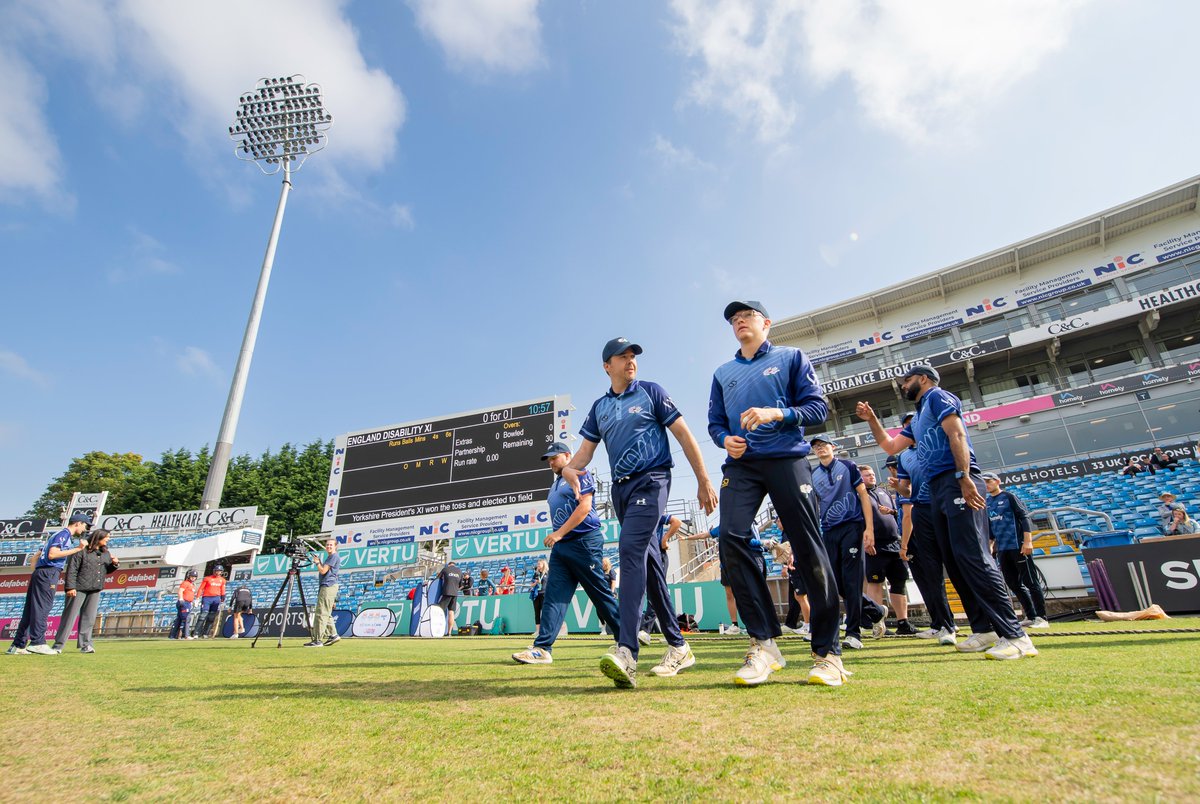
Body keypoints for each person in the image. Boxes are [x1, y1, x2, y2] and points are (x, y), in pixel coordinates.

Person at [562, 336, 717, 688]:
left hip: (652, 481)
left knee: (630, 551)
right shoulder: (600, 407)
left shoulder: (651, 391)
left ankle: (627, 652)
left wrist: (703, 479)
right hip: (621, 491)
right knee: (649, 568)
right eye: (623, 356)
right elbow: (584, 454)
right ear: (607, 366)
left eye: (633, 355)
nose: (631, 360)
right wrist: (569, 469)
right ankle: (679, 646)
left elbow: (684, 434)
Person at [707, 301, 845, 687]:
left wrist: (776, 413)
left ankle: (828, 654)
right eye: (734, 319)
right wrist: (724, 439)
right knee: (730, 536)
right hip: (742, 465)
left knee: (808, 547)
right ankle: (765, 644)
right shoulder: (723, 372)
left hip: (787, 458)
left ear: (766, 323)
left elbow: (817, 409)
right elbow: (715, 422)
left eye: (746, 316)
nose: (739, 322)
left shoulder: (791, 357)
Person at [857, 365, 1036, 660]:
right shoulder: (918, 416)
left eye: (907, 380)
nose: (903, 386)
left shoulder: (938, 397)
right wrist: (873, 420)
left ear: (923, 379)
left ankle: (1015, 635)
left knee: (974, 557)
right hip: (935, 488)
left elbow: (957, 435)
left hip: (956, 480)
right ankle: (984, 629)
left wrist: (963, 476)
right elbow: (890, 445)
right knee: (954, 562)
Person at [512, 442, 624, 665]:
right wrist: (560, 537)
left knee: (600, 593)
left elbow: (585, 507)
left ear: (567, 455)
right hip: (562, 547)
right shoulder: (555, 485)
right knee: (553, 597)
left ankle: (627, 638)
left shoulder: (579, 472)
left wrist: (559, 533)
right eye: (548, 459)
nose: (551, 462)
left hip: (584, 541)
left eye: (554, 457)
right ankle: (542, 648)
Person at [809, 436, 883, 651]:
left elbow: (863, 496)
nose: (819, 448)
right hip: (829, 530)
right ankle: (875, 611)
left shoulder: (848, 466)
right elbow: (814, 504)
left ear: (832, 447)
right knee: (836, 584)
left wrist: (869, 529)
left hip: (852, 525)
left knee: (852, 581)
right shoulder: (813, 474)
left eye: (823, 444)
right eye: (816, 446)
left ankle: (853, 633)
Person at [894, 438, 957, 645]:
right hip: (921, 531)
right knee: (931, 580)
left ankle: (945, 623)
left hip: (919, 536)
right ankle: (942, 623)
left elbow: (908, 515)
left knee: (933, 579)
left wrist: (904, 544)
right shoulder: (904, 476)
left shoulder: (916, 483)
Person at [7, 513, 91, 655]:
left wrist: (37, 572)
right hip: (49, 572)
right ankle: (37, 643)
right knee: (42, 607)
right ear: (78, 523)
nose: (85, 529)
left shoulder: (55, 535)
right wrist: (78, 549)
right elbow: (52, 554)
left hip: (41, 572)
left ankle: (18, 645)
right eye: (85, 525)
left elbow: (35, 557)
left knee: (30, 610)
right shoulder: (64, 535)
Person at [983, 472, 1048, 629]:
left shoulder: (1009, 497)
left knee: (1031, 582)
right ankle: (1031, 616)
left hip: (1018, 545)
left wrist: (1028, 541)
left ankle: (1042, 618)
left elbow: (1023, 517)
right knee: (1013, 583)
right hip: (1002, 549)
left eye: (989, 481)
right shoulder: (987, 502)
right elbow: (991, 526)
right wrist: (990, 544)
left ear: (997, 481)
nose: (986, 485)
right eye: (984, 482)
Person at [860, 463, 915, 636]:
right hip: (874, 545)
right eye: (867, 474)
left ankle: (903, 622)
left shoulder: (883, 491)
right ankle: (878, 623)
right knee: (875, 582)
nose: (871, 476)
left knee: (899, 582)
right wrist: (865, 541)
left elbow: (898, 513)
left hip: (894, 542)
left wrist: (891, 511)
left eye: (872, 473)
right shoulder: (858, 495)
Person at [50, 528, 119, 654]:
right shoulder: (81, 550)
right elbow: (72, 570)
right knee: (69, 617)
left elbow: (105, 570)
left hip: (95, 589)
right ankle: (58, 645)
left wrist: (114, 564)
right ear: (99, 537)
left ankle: (86, 645)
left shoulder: (105, 553)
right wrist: (70, 587)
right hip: (78, 588)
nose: (108, 539)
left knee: (89, 619)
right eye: (107, 537)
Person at [639, 515, 683, 643]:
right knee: (657, 593)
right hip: (647, 555)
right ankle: (671, 630)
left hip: (658, 554)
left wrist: (665, 539)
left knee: (657, 592)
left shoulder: (656, 513)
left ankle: (646, 630)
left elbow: (676, 522)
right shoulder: (639, 515)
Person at [307, 538, 341, 647]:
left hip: (328, 586)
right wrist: (320, 562)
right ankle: (333, 634)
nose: (328, 546)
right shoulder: (332, 557)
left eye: (331, 545)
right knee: (326, 612)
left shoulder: (333, 556)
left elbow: (323, 571)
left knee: (321, 613)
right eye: (327, 545)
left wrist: (317, 563)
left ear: (335, 546)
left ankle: (318, 640)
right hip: (329, 585)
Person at [197, 565, 227, 638]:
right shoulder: (207, 578)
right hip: (207, 598)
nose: (218, 572)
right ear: (214, 571)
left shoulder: (222, 580)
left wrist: (222, 600)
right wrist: (197, 598)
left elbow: (223, 590)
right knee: (203, 616)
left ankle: (205, 633)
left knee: (211, 617)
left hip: (216, 599)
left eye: (219, 571)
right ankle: (196, 633)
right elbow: (201, 588)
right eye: (217, 571)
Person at [170, 569, 198, 640]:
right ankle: (186, 635)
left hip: (188, 603)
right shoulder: (185, 583)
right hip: (184, 602)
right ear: (189, 576)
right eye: (192, 576)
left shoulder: (192, 585)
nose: (193, 578)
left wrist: (193, 601)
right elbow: (180, 591)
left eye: (194, 577)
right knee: (187, 618)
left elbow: (191, 594)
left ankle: (173, 635)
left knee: (179, 619)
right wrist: (181, 599)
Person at [437, 560, 464, 634]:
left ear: (449, 565)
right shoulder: (459, 571)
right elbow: (461, 585)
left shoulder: (445, 569)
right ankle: (449, 632)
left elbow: (437, 579)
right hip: (455, 594)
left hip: (446, 592)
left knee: (439, 610)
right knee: (451, 612)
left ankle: (438, 630)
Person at [529, 558, 548, 627]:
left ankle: (545, 628)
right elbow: (531, 584)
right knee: (537, 612)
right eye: (537, 564)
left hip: (544, 594)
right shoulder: (536, 574)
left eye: (539, 564)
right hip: (536, 594)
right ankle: (537, 630)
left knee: (545, 612)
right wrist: (536, 582)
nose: (538, 565)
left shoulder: (547, 573)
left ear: (543, 564)